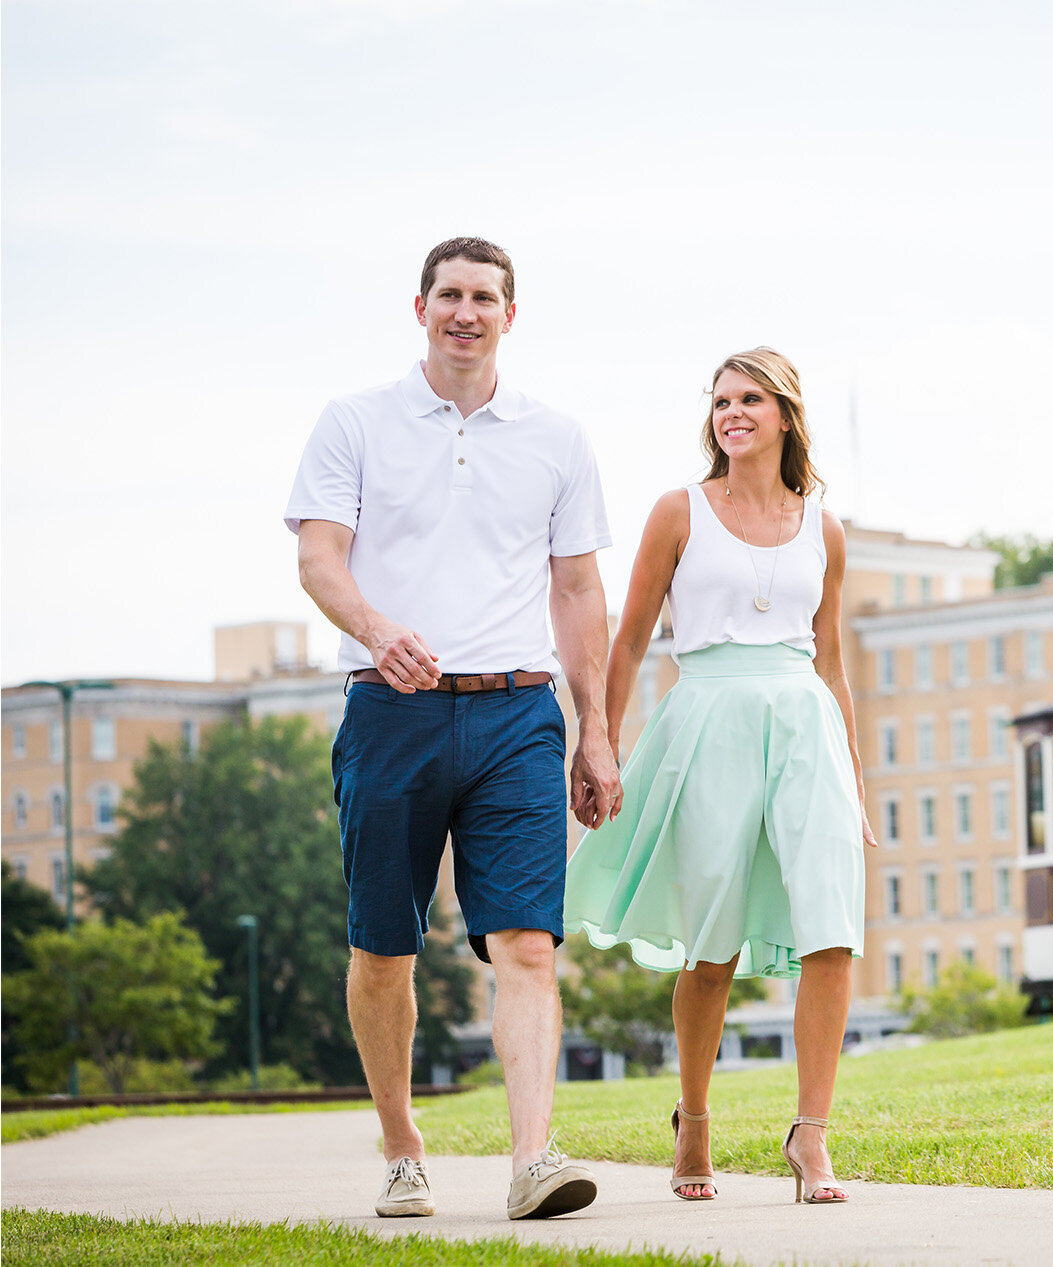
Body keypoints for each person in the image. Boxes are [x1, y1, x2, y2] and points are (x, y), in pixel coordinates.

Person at [286, 237, 617, 1221]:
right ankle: (400, 1147)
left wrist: (594, 730)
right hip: (390, 712)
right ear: (420, 307)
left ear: (510, 315)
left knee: (527, 943)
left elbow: (578, 589)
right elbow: (317, 558)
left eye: (484, 297)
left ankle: (532, 1159)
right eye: (450, 295)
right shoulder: (355, 423)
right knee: (384, 946)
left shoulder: (556, 438)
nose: (465, 311)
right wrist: (377, 630)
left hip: (519, 711)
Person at [565, 347, 872, 1205]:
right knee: (713, 946)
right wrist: (601, 746)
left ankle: (811, 1135)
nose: (731, 412)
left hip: (805, 725)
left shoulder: (825, 525)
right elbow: (627, 642)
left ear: (785, 414)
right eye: (721, 399)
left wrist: (856, 781)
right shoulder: (679, 512)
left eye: (750, 398)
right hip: (707, 722)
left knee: (831, 927)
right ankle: (693, 1117)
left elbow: (834, 663)